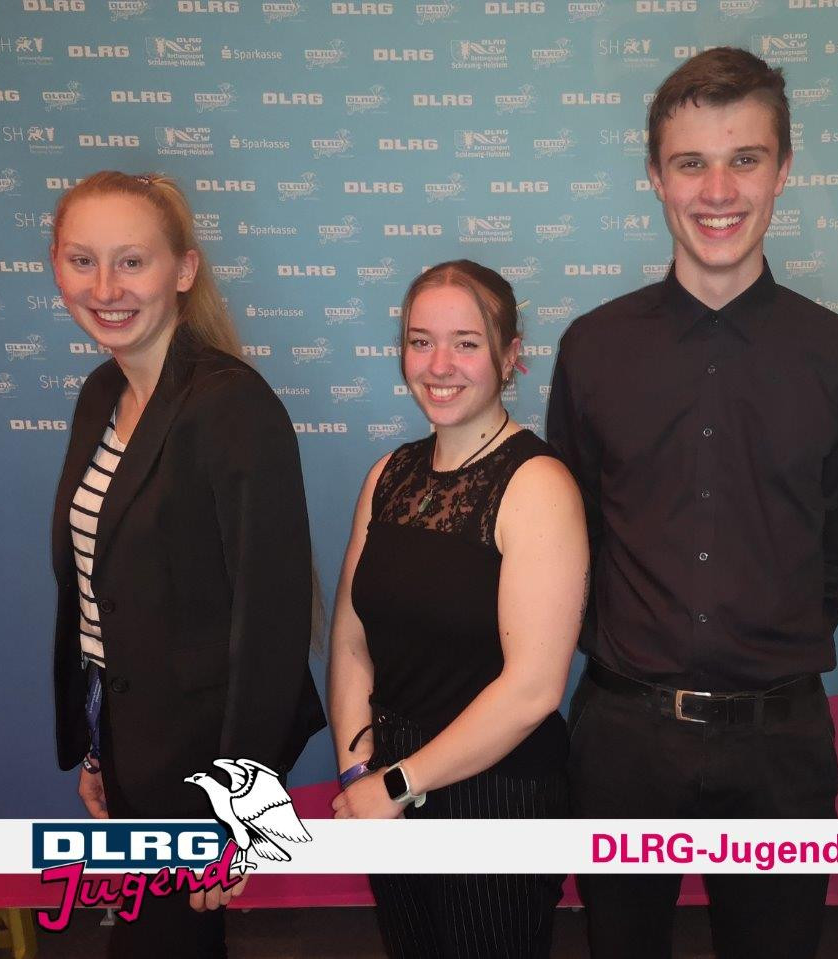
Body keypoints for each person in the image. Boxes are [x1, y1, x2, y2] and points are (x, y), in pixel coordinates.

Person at [547, 47, 838, 958]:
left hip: (781, 744)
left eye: (745, 158)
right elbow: (571, 536)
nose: (718, 190)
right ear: (655, 176)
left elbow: (837, 550)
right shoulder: (592, 349)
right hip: (623, 738)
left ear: (784, 170)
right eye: (691, 162)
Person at [49, 171, 326, 957]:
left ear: (183, 270)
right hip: (127, 738)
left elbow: (270, 628)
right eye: (82, 260)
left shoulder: (232, 406)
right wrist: (100, 743)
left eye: (131, 262)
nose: (105, 288)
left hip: (201, 764)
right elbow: (103, 598)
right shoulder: (102, 392)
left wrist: (237, 814)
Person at [328, 260, 588, 958]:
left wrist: (398, 784)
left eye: (466, 343)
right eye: (421, 341)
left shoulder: (538, 486)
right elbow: (351, 637)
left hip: (496, 795)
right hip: (388, 783)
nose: (439, 365)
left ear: (510, 355)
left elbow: (533, 688)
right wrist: (359, 771)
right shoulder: (389, 475)